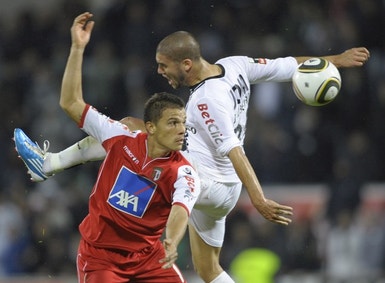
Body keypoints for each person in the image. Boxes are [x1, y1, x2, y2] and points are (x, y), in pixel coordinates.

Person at [14, 12, 370, 283]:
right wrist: (334, 60)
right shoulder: (236, 66)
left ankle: (52, 164)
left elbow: (234, 150)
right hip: (222, 191)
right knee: (208, 269)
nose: (160, 72)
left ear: (186, 64)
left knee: (132, 132)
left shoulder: (205, 102)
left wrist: (258, 198)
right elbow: (287, 66)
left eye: (164, 66)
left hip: (207, 181)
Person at [14, 12, 201, 283]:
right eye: (173, 123)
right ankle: (49, 164)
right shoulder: (121, 137)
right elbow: (70, 102)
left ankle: (49, 164)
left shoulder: (183, 170)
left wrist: (171, 241)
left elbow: (180, 210)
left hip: (148, 258)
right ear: (150, 127)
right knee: (121, 124)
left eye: (183, 123)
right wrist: (77, 48)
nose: (182, 129)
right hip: (101, 256)